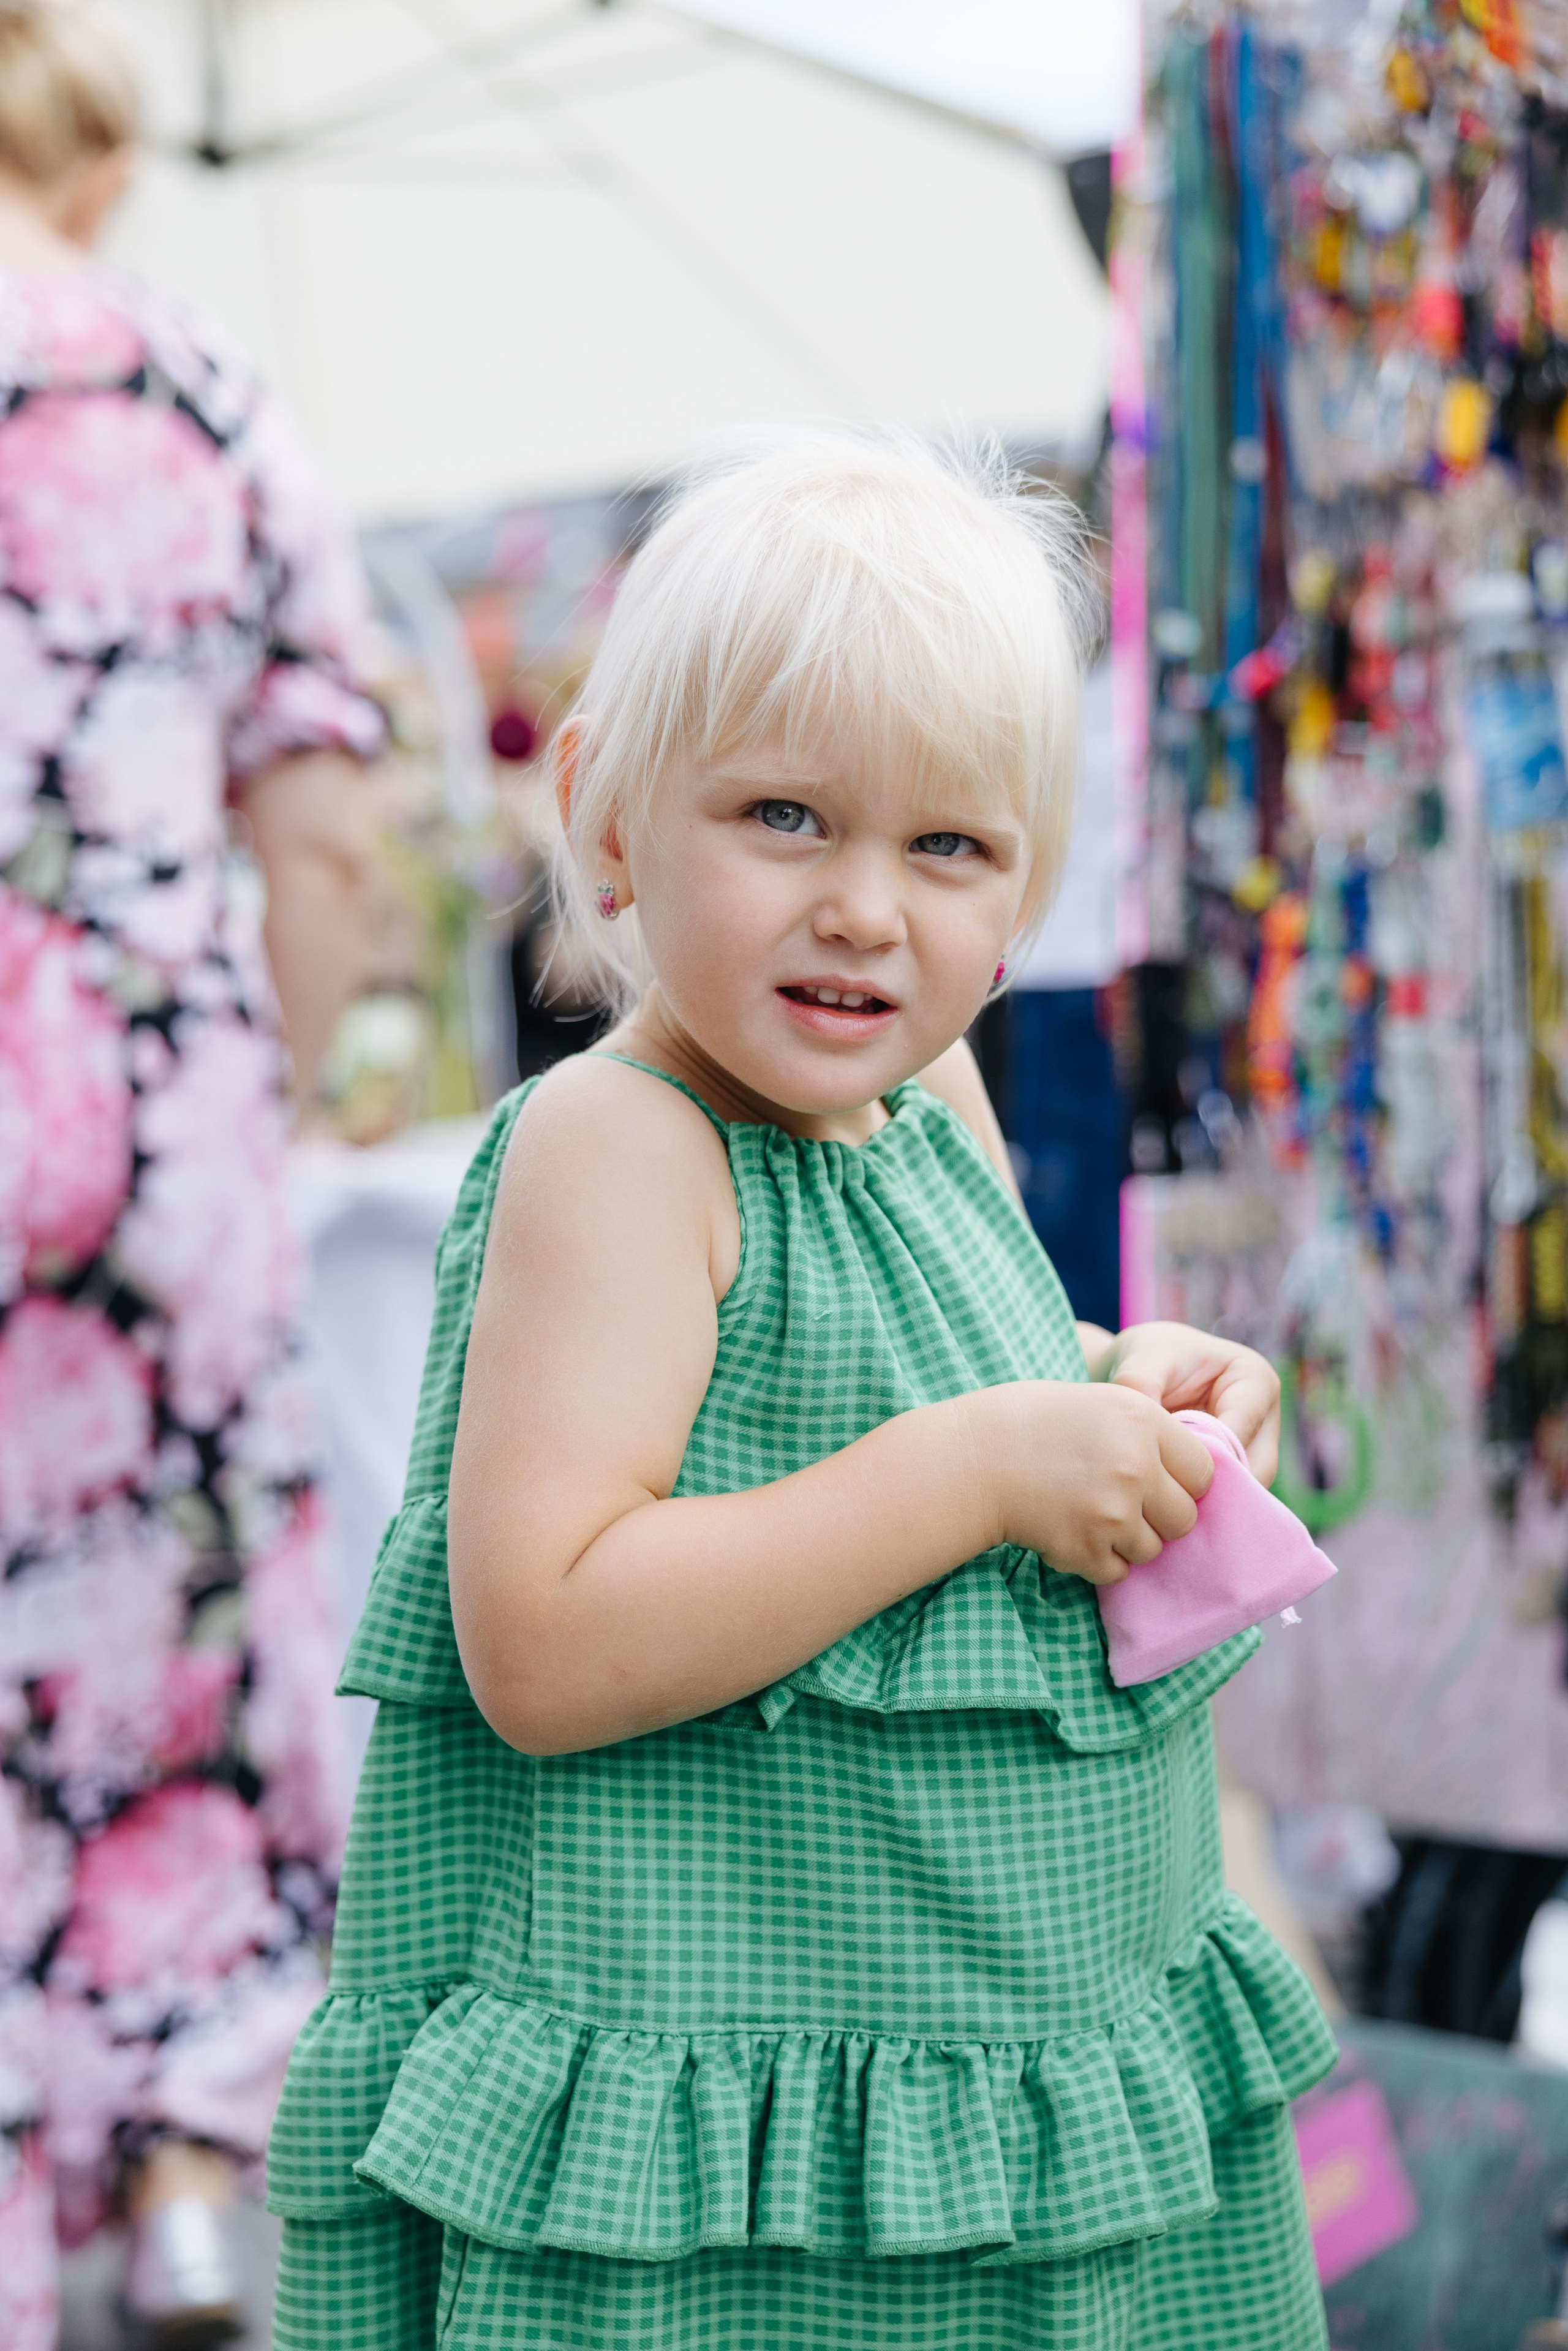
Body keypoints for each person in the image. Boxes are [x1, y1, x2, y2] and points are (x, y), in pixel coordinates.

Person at [268, 431, 1336, 2351]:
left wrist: (1120, 1387)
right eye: (784, 817)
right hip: (753, 2129)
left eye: (948, 849)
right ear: (604, 815)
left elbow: (945, 1374)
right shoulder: (626, 1150)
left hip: (996, 2057)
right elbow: (549, 1639)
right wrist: (980, 1471)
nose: (864, 908)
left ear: (1028, 889)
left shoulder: (924, 1095)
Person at [0, 5, 386, 2344]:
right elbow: (324, 824)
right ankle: (180, 2154)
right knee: (189, 1645)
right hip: (152, 1135)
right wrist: (267, 1088)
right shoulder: (197, 385)